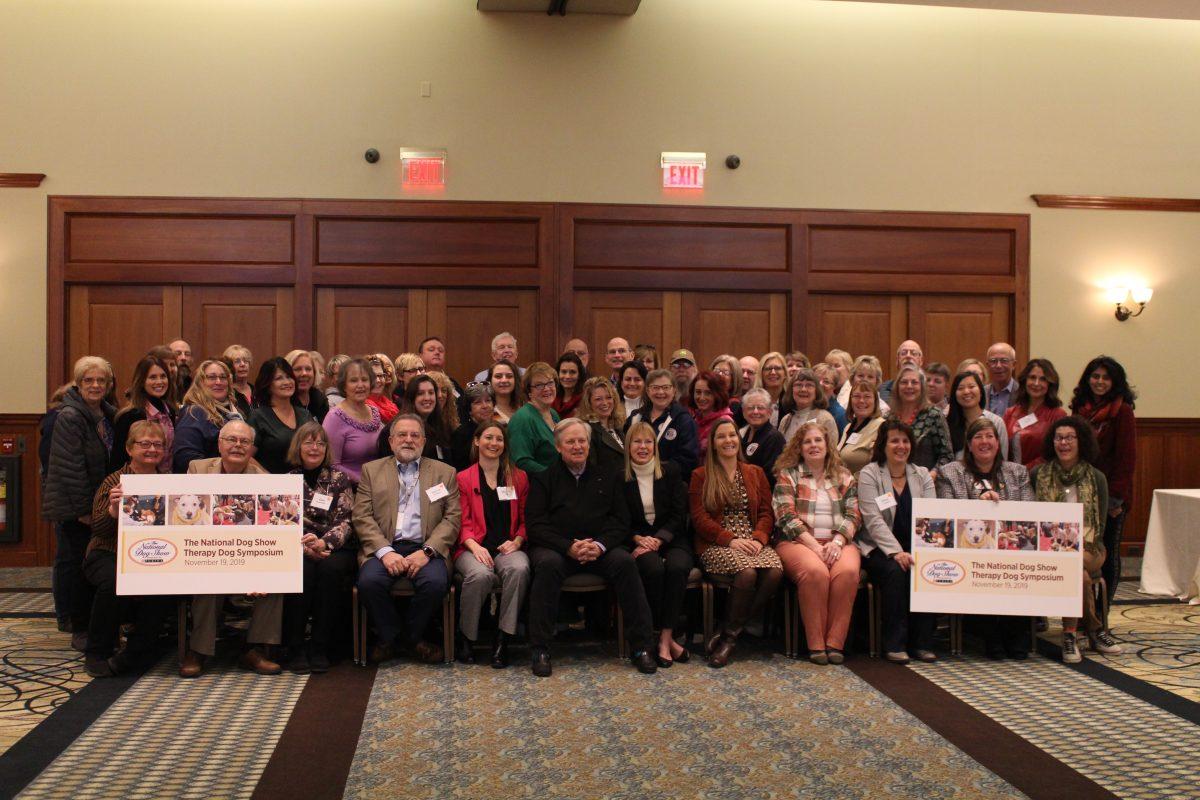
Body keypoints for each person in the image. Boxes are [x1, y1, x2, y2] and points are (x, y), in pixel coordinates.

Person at [525, 418, 658, 677]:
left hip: (599, 547)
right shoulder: (544, 479)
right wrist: (568, 547)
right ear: (558, 447)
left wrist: (599, 545)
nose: (577, 446)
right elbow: (536, 525)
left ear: (589, 444)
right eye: (570, 442)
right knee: (547, 565)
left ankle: (642, 647)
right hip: (558, 549)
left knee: (626, 563)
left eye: (582, 441)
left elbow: (621, 521)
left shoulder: (606, 476)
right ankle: (540, 649)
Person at [355, 415, 461, 664]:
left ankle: (399, 640)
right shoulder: (371, 471)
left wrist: (427, 551)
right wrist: (385, 551)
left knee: (435, 584)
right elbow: (362, 516)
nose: (408, 440)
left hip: (426, 548)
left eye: (415, 435)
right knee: (369, 583)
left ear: (424, 441)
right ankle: (406, 639)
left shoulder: (444, 473)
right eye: (402, 435)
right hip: (384, 547)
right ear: (391, 441)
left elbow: (452, 519)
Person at [182, 420, 281, 677]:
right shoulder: (198, 469)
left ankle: (255, 649)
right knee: (208, 577)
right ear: (219, 444)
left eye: (244, 441)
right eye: (232, 440)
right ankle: (199, 650)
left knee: (277, 578)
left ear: (252, 449)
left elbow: (272, 530)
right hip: (206, 551)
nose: (238, 445)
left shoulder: (265, 480)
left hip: (248, 552)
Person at [936, 417, 1035, 659]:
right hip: (969, 551)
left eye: (989, 436)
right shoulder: (950, 473)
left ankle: (1017, 636)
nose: (984, 442)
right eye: (978, 437)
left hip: (1011, 550)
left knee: (1016, 566)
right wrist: (977, 508)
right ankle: (991, 638)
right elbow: (947, 514)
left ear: (998, 443)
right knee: (984, 567)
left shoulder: (1018, 472)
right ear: (968, 444)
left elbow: (1030, 512)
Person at [83, 420, 174, 676]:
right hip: (108, 551)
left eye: (158, 444)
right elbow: (99, 530)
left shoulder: (169, 482)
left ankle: (137, 651)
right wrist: (113, 510)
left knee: (167, 584)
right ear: (129, 448)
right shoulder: (115, 482)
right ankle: (97, 651)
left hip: (156, 554)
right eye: (144, 444)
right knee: (115, 581)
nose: (152, 449)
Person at [689, 418, 782, 668]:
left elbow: (766, 512)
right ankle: (730, 641)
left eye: (732, 435)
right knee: (748, 572)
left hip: (752, 540)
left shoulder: (755, 472)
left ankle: (726, 632)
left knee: (774, 571)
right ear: (713, 443)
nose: (728, 440)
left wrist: (759, 538)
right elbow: (699, 518)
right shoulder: (701, 475)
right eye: (721, 436)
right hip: (717, 542)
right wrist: (731, 541)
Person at [1032, 417, 1123, 663]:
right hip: (1049, 549)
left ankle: (1072, 635)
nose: (1064, 443)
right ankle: (1091, 630)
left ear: (1080, 441)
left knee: (1074, 564)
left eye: (1070, 438)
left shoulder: (1096, 478)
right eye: (1059, 438)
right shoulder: (1038, 474)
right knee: (1077, 574)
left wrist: (1075, 546)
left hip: (1091, 547)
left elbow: (1100, 526)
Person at [773, 421, 861, 664]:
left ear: (827, 445)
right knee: (815, 571)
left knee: (849, 572)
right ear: (799, 448)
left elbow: (854, 514)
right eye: (807, 442)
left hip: (837, 541)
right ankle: (815, 644)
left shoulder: (844, 476)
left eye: (818, 440)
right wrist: (814, 546)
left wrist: (838, 542)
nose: (813, 445)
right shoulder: (788, 475)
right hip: (798, 542)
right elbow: (785, 516)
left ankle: (835, 643)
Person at [43, 356, 116, 644]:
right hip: (76, 507)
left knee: (89, 564)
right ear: (78, 383)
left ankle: (89, 621)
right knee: (76, 565)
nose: (95, 385)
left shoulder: (106, 414)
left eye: (101, 381)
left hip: (94, 503)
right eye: (89, 380)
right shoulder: (70, 417)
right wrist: (86, 510)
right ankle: (78, 626)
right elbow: (70, 467)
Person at [856, 419, 937, 663]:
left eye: (905, 441)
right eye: (894, 441)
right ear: (884, 444)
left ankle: (921, 643)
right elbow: (873, 520)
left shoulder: (922, 475)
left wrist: (920, 551)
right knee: (896, 571)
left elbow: (931, 517)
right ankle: (894, 643)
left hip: (917, 545)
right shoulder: (870, 474)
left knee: (930, 568)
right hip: (879, 548)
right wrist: (896, 552)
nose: (900, 446)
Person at [454, 420, 530, 668]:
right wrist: (474, 546)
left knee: (519, 569)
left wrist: (518, 541)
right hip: (471, 546)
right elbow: (461, 521)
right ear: (477, 441)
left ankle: (503, 638)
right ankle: (467, 637)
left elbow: (526, 518)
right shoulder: (463, 478)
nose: (493, 443)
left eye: (499, 439)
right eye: (488, 437)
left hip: (508, 546)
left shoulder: (518, 477)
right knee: (480, 575)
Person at [281, 421, 356, 673]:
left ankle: (320, 645)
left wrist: (324, 543)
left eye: (320, 443)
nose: (315, 448)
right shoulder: (287, 481)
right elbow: (282, 522)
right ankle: (295, 646)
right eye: (309, 442)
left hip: (333, 546)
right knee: (301, 573)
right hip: (297, 546)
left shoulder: (338, 478)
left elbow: (346, 520)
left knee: (330, 571)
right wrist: (306, 547)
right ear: (298, 446)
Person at [622, 421, 693, 667]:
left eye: (648, 442)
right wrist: (637, 538)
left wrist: (660, 538)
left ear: (655, 445)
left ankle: (664, 638)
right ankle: (664, 637)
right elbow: (618, 518)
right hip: (638, 539)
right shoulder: (619, 477)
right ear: (628, 446)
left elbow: (678, 513)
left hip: (671, 537)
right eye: (637, 442)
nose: (643, 447)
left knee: (677, 567)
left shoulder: (671, 471)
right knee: (653, 569)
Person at [1070, 355, 1137, 604]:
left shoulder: (1123, 412)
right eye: (1095, 376)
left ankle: (1102, 611)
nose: (1099, 382)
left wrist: (1115, 499)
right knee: (1082, 554)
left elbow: (1126, 458)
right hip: (1080, 492)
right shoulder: (1080, 409)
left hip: (1111, 497)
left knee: (1107, 552)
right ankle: (1083, 610)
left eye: (1106, 378)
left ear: (1115, 382)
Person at [627, 369, 700, 480]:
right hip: (635, 482)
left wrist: (656, 470)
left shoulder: (684, 420)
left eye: (666, 387)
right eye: (655, 388)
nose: (660, 392)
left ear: (674, 390)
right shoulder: (635, 418)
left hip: (670, 485)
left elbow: (689, 459)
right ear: (647, 390)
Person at [173, 358, 243, 472]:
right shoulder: (193, 413)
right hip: (204, 484)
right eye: (212, 377)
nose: (218, 382)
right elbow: (185, 457)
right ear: (200, 382)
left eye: (223, 377)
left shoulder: (235, 412)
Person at [109, 354, 176, 473]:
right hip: (137, 485)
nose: (159, 381)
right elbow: (118, 461)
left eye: (163, 376)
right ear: (141, 381)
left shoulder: (171, 411)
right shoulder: (129, 416)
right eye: (153, 377)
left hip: (168, 483)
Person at [321, 357, 383, 484]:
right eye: (353, 380)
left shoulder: (375, 412)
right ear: (344, 385)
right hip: (348, 490)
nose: (360, 385)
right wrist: (365, 483)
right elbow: (333, 464)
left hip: (378, 486)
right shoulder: (334, 417)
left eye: (364, 380)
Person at [249, 357, 313, 474]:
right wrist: (271, 479)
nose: (287, 382)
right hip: (271, 486)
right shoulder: (258, 417)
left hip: (305, 483)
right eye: (279, 378)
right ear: (267, 385)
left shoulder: (305, 415)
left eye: (289, 377)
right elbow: (247, 457)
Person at [887, 364, 953, 475]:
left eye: (914, 382)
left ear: (922, 387)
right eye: (904, 382)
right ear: (897, 387)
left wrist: (933, 474)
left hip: (925, 484)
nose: (909, 386)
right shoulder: (889, 418)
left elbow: (947, 456)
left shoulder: (933, 415)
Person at [1004, 357, 1067, 470]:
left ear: (1050, 384)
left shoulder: (1058, 415)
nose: (1036, 383)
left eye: (1043, 379)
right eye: (1032, 378)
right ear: (1025, 380)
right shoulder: (1011, 413)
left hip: (1040, 477)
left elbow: (1055, 453)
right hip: (1010, 477)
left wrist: (1024, 471)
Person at [507, 362, 561, 473]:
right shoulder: (522, 419)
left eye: (550, 383)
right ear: (529, 392)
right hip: (537, 485)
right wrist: (553, 477)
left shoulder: (553, 414)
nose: (547, 389)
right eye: (539, 385)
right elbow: (521, 461)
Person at [947, 371, 1009, 460]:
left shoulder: (996, 422)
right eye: (960, 388)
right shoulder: (948, 424)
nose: (966, 391)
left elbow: (1002, 460)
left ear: (981, 391)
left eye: (971, 386)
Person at [577, 376, 626, 475]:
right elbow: (591, 469)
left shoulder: (618, 427)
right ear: (589, 403)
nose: (605, 403)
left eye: (608, 397)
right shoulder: (587, 431)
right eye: (598, 399)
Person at [836, 381, 886, 476]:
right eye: (857, 396)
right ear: (850, 400)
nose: (861, 401)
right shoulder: (848, 427)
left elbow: (879, 468)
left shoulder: (881, 426)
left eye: (867, 396)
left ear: (875, 401)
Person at [777, 369, 838, 446]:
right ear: (791, 390)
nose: (803, 389)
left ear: (817, 391)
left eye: (809, 385)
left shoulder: (825, 419)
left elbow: (832, 454)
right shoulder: (785, 420)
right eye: (798, 385)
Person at [738, 388, 786, 487]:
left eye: (760, 408)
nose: (755, 412)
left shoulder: (774, 438)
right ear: (743, 412)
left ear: (769, 412)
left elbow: (770, 477)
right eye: (750, 408)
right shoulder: (743, 434)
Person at [401, 374, 453, 461]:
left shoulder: (440, 426)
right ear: (411, 397)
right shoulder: (399, 428)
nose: (427, 398)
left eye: (431, 393)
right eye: (420, 393)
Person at [451, 383, 496, 470]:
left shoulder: (498, 429)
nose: (485, 406)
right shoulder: (461, 434)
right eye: (478, 402)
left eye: (488, 400)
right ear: (469, 409)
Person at [688, 370, 734, 455]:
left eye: (708, 393)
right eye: (698, 392)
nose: (701, 397)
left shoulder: (725, 422)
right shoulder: (694, 418)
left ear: (718, 394)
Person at [286, 349, 329, 422]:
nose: (304, 373)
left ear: (314, 373)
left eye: (308, 369)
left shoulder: (321, 401)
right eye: (298, 369)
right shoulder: (283, 403)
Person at [879, 340, 923, 405]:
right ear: (897, 360)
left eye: (913, 353)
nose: (908, 356)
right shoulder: (883, 389)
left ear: (921, 361)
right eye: (903, 353)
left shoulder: (929, 388)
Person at [753, 351, 788, 424]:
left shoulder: (792, 402)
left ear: (785, 373)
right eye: (768, 369)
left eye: (777, 368)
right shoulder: (750, 401)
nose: (773, 372)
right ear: (761, 374)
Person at [813, 362, 848, 434]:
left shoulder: (840, 414)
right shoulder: (806, 407)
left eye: (826, 382)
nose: (820, 384)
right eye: (816, 380)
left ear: (834, 387)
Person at [985, 342, 1019, 415]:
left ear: (1013, 365)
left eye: (1004, 360)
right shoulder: (981, 394)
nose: (998, 366)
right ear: (988, 365)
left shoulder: (1023, 393)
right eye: (993, 361)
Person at [365, 355, 399, 424]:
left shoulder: (391, 405)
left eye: (380, 376)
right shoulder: (362, 407)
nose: (378, 380)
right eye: (373, 376)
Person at [553, 352, 587, 418]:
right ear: (557, 373)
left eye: (572, 372)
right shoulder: (551, 398)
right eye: (564, 372)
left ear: (579, 375)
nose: (567, 376)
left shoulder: (585, 399)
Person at [223, 344, 255, 412]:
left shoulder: (257, 391)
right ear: (229, 366)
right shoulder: (226, 393)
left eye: (246, 361)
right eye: (237, 361)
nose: (243, 364)